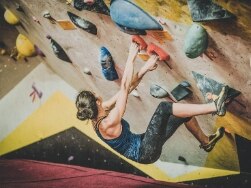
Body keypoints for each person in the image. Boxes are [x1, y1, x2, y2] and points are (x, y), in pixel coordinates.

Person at [75, 41, 229, 164]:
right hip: (145, 152)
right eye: (94, 94)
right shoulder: (108, 123)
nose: (96, 94)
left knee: (182, 114)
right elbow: (124, 86)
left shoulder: (102, 109)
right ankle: (215, 106)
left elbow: (129, 88)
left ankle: (206, 142)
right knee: (164, 108)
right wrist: (131, 56)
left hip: (143, 142)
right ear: (96, 102)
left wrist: (146, 68)